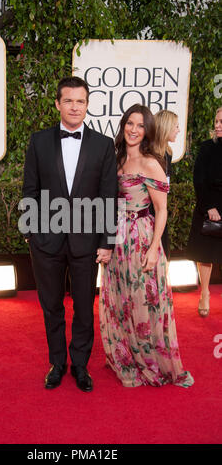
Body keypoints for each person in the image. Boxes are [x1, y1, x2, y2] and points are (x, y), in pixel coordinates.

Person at [22, 76, 117, 392]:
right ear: (58, 104)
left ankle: (80, 366)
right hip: (46, 242)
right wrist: (30, 233)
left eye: (80, 101)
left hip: (86, 243)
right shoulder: (38, 141)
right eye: (69, 100)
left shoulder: (103, 145)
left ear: (87, 105)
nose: (75, 106)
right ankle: (57, 363)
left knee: (83, 308)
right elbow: (30, 190)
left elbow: (107, 195)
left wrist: (106, 241)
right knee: (51, 306)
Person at [99, 104, 194, 388]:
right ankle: (124, 353)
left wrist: (154, 249)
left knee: (143, 300)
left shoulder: (152, 162)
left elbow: (161, 210)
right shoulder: (115, 159)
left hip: (140, 238)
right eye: (130, 123)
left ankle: (150, 359)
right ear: (123, 125)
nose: (134, 130)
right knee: (120, 298)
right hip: (115, 238)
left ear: (147, 131)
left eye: (140, 126)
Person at [187, 106, 222, 317]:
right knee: (205, 253)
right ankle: (205, 293)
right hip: (208, 204)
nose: (217, 125)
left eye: (221, 122)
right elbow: (198, 179)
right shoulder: (207, 147)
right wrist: (209, 206)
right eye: (216, 121)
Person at [153, 110, 180, 259]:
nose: (178, 130)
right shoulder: (150, 154)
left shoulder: (168, 152)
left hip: (161, 210)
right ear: (166, 127)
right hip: (148, 213)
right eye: (176, 126)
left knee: (164, 254)